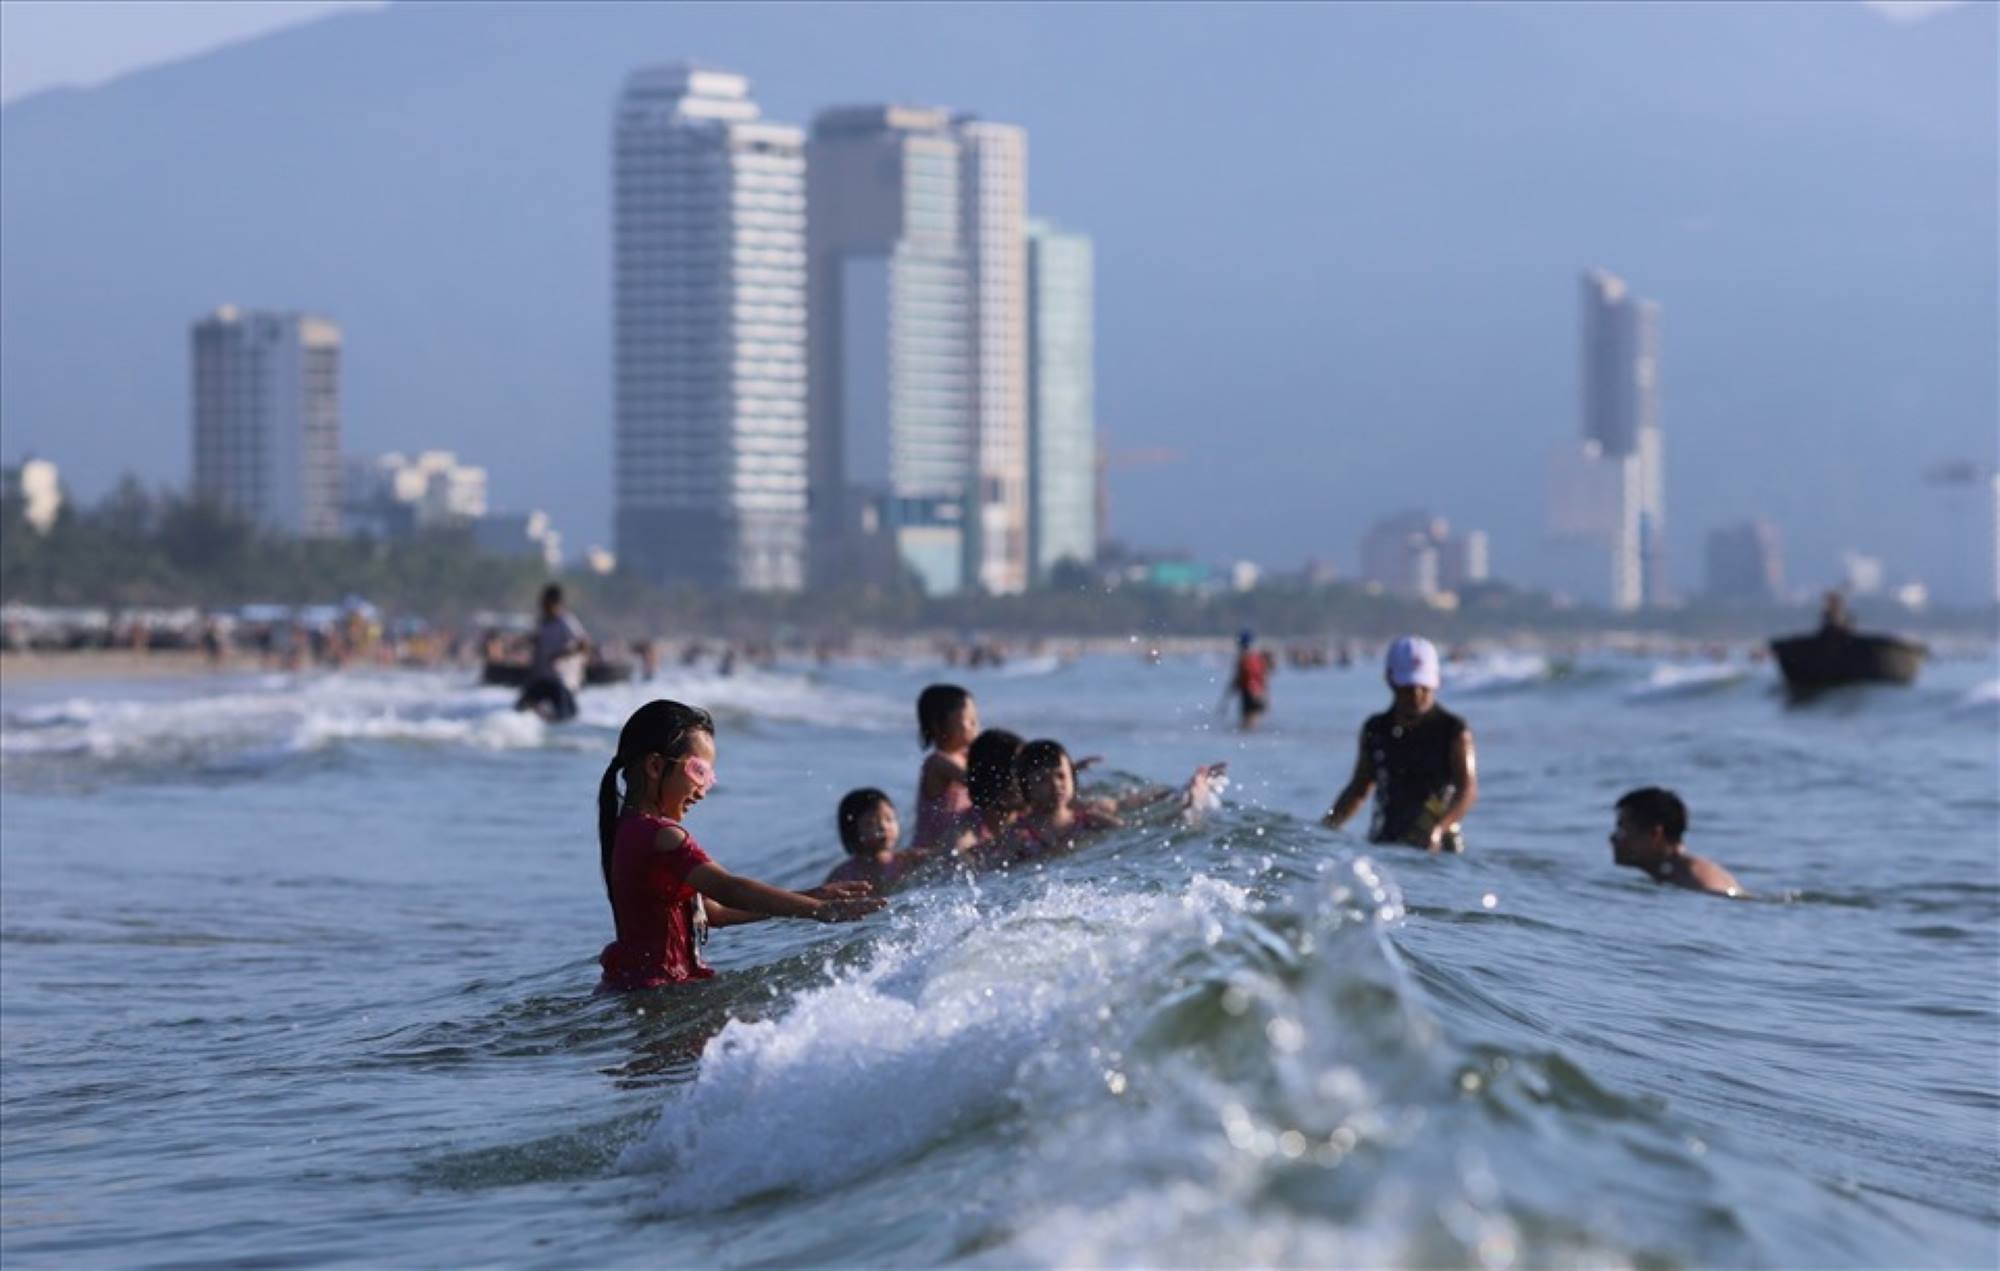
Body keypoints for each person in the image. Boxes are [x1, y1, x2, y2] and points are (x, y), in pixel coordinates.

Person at [596, 700, 883, 992]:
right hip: (658, 993)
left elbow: (715, 912)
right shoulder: (661, 836)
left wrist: (809, 897)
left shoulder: (629, 830)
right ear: (655, 766)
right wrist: (819, 910)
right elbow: (729, 888)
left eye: (709, 779)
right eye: (699, 772)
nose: (703, 792)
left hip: (637, 989)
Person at [1323, 635, 1479, 852]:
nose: (1416, 695)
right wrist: (1325, 829)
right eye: (1408, 687)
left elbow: (1467, 791)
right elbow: (1359, 788)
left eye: (1424, 687)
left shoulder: (1453, 730)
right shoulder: (1376, 729)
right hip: (1385, 843)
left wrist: (1439, 829)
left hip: (1438, 849)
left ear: (1436, 681)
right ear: (1390, 679)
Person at [1006, 739, 1224, 863]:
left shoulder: (1089, 819)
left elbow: (1135, 832)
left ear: (1072, 777)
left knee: (1119, 805)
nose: (1056, 785)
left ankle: (1188, 788)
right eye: (1042, 779)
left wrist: (1183, 803)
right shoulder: (1019, 835)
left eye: (1061, 776)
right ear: (1025, 786)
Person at [1609, 787, 1744, 897]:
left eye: (1623, 830)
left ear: (1655, 834)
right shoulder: (1677, 873)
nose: (1613, 838)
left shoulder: (1692, 877)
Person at [911, 684, 980, 852]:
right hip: (931, 852)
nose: (976, 726)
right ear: (938, 725)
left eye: (975, 719)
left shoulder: (967, 757)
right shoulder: (937, 763)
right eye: (969, 721)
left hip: (958, 846)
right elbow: (980, 784)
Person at [517, 584, 589, 722]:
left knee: (565, 717)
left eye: (546, 603)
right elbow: (535, 639)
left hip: (562, 680)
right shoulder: (542, 622)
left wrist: (561, 654)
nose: (543, 607)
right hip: (542, 677)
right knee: (520, 709)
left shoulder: (566, 621)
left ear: (556, 603)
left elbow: (584, 644)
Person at [823, 788, 913, 890]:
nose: (883, 827)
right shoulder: (841, 876)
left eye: (889, 819)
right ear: (852, 830)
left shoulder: (910, 861)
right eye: (870, 823)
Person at [1227, 630, 1274, 730]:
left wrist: (1227, 697)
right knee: (1254, 723)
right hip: (1259, 693)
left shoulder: (1243, 659)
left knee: (1247, 725)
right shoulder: (1259, 657)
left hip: (1249, 693)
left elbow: (1237, 679)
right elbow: (1264, 677)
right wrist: (1266, 697)